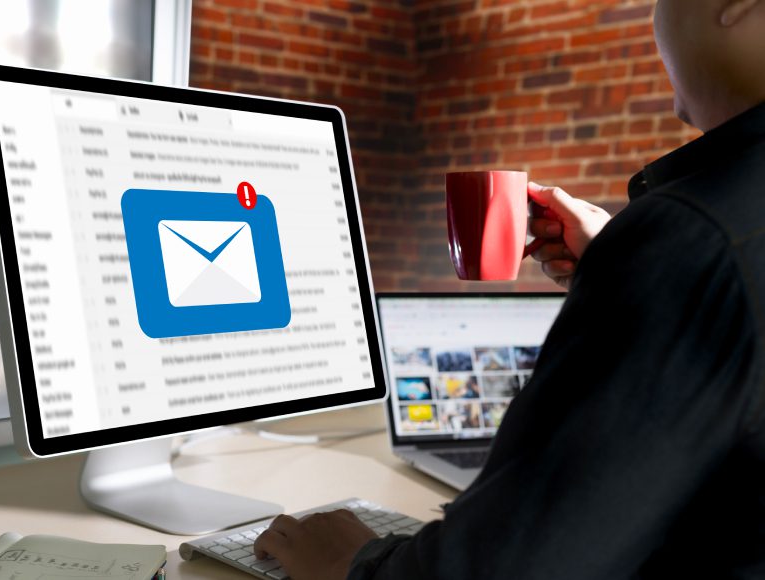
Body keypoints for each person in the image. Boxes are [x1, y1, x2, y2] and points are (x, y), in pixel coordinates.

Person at [254, 0, 765, 577]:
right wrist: (625, 271)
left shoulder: (694, 238)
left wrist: (355, 563)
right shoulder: (705, 240)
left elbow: (509, 568)